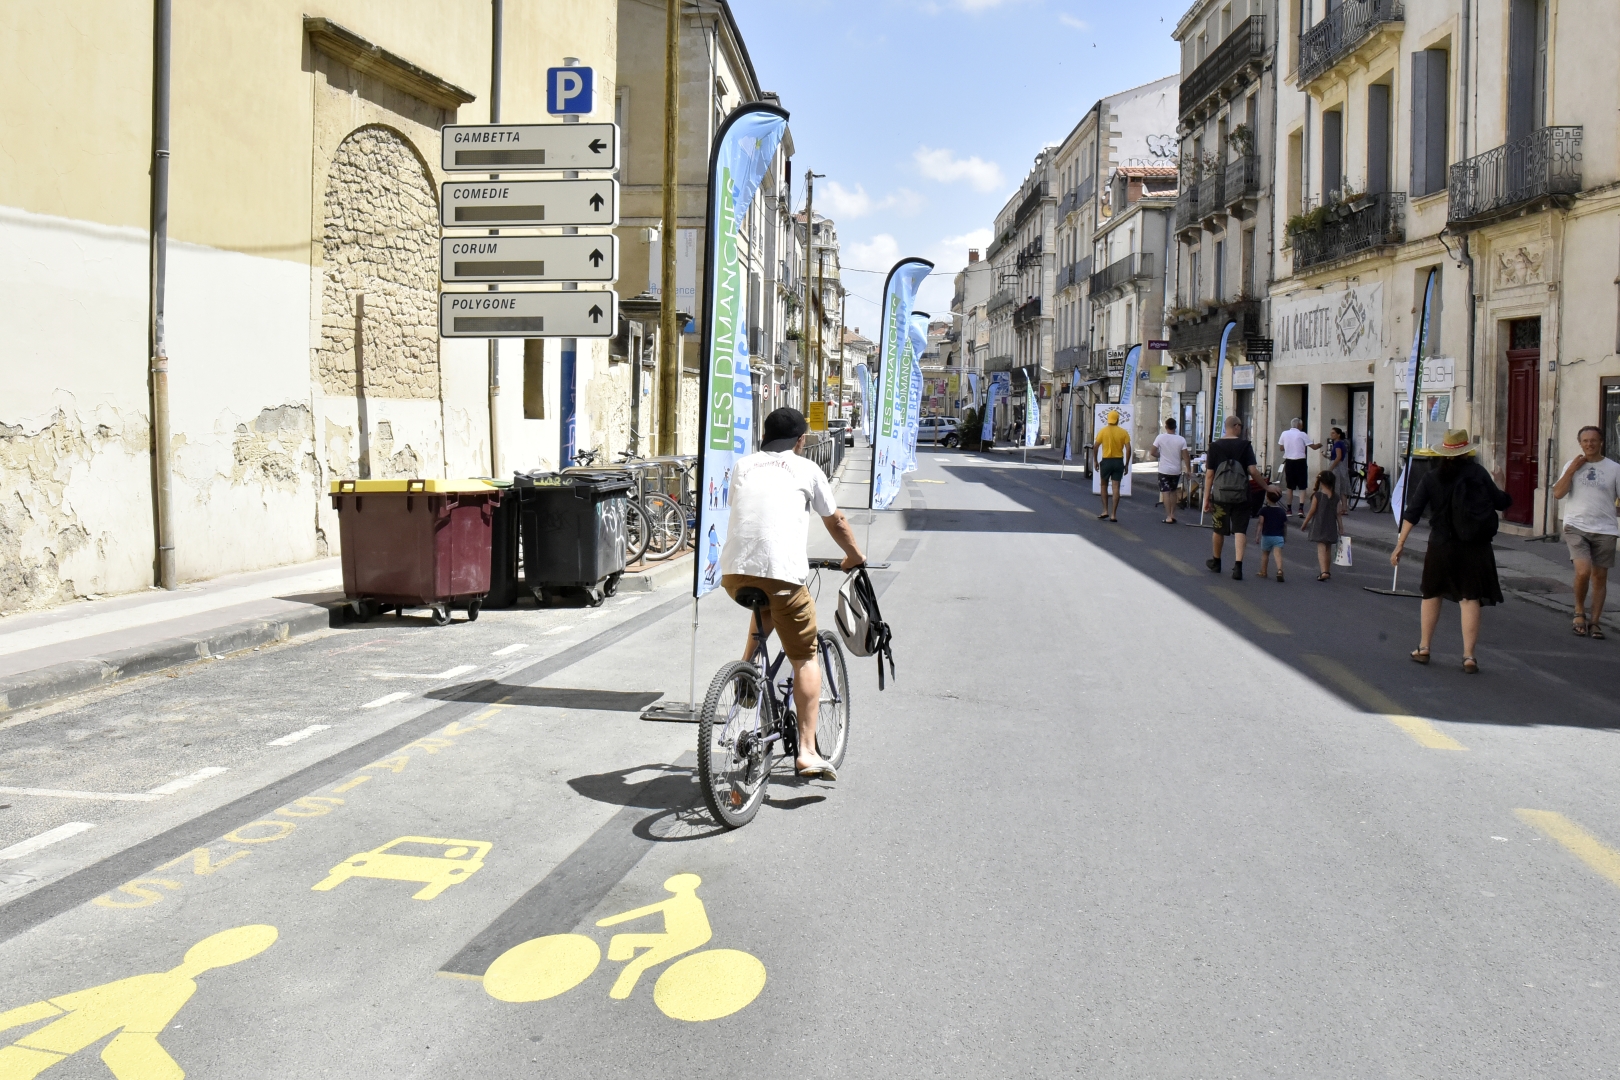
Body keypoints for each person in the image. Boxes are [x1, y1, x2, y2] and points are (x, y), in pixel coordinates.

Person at [720, 407, 865, 779]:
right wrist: (854, 556)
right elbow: (836, 520)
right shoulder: (806, 468)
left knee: (766, 604)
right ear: (801, 440)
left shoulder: (743, 465)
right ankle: (806, 750)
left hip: (735, 573)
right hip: (782, 575)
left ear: (765, 436)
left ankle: (747, 676)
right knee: (805, 656)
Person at [1391, 428, 1512, 673]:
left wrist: (1400, 544)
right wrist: (1499, 483)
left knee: (1431, 594)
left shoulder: (1431, 478)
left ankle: (1424, 647)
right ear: (1466, 452)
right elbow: (1501, 502)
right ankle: (1469, 656)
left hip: (1441, 545)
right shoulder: (1478, 473)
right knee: (1469, 599)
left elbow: (1412, 512)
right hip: (1474, 546)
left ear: (1443, 453)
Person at [1552, 424, 1620, 639]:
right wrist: (1572, 469)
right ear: (1580, 443)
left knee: (1600, 577)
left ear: (1601, 443)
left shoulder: (1614, 468)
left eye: (1593, 440)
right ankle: (1579, 611)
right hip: (1576, 526)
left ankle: (1596, 622)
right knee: (1583, 572)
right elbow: (1558, 494)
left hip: (1605, 528)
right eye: (1585, 441)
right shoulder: (1571, 466)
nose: (1589, 444)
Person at [1203, 414, 1278, 580]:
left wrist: (1206, 498)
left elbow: (1209, 474)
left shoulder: (1214, 446)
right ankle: (1238, 567)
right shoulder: (1245, 446)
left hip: (1221, 495)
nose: (1241, 429)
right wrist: (1266, 486)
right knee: (1240, 530)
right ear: (1236, 426)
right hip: (1241, 495)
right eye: (1241, 426)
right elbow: (1252, 470)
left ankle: (1216, 561)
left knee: (1218, 529)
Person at [1301, 470, 1341, 581]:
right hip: (1331, 526)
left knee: (1321, 548)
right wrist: (1341, 527)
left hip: (1319, 525)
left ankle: (1324, 572)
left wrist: (1304, 524)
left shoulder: (1317, 496)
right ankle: (1327, 570)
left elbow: (1311, 511)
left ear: (1321, 482)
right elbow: (1338, 514)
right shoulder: (1336, 497)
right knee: (1328, 548)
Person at [1150, 416, 1191, 524]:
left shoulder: (1160, 437)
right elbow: (1186, 456)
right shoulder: (1181, 439)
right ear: (1175, 427)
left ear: (1166, 426)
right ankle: (1173, 514)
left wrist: (1161, 454)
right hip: (1176, 470)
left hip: (1164, 470)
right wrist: (1189, 470)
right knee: (1173, 491)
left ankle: (1168, 516)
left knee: (1165, 492)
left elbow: (1152, 452)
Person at [1093, 409, 1131, 521]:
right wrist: (1127, 464)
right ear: (1118, 420)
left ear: (1108, 419)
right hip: (1118, 461)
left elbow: (1095, 447)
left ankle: (1105, 510)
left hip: (1106, 461)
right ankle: (1114, 514)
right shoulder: (1123, 432)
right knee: (1116, 487)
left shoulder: (1103, 431)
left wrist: (1095, 460)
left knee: (1104, 486)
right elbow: (1128, 448)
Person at [1276, 418, 1319, 516]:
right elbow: (1313, 447)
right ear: (1299, 425)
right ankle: (1300, 508)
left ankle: (1289, 509)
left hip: (1289, 462)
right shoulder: (1302, 434)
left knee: (1289, 486)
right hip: (1300, 461)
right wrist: (1320, 445)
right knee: (1302, 486)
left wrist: (1289, 446)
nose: (1302, 426)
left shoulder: (1284, 433)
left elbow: (1281, 448)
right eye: (1302, 424)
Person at [1256, 488, 1288, 581]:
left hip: (1266, 536)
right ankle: (1280, 570)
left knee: (1265, 554)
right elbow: (1285, 525)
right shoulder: (1282, 511)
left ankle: (1263, 572)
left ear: (1267, 497)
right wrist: (1285, 536)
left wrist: (1257, 535)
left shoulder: (1263, 510)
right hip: (1278, 536)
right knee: (1278, 554)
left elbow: (1261, 523)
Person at [1325, 426, 1351, 520]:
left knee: (1336, 487)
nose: (1331, 435)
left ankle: (1338, 508)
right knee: (1343, 489)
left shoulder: (1338, 444)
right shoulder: (1340, 443)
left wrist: (1330, 468)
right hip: (1342, 467)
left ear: (1338, 435)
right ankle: (1344, 508)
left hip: (1337, 468)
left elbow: (1338, 457)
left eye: (1333, 433)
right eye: (1331, 433)